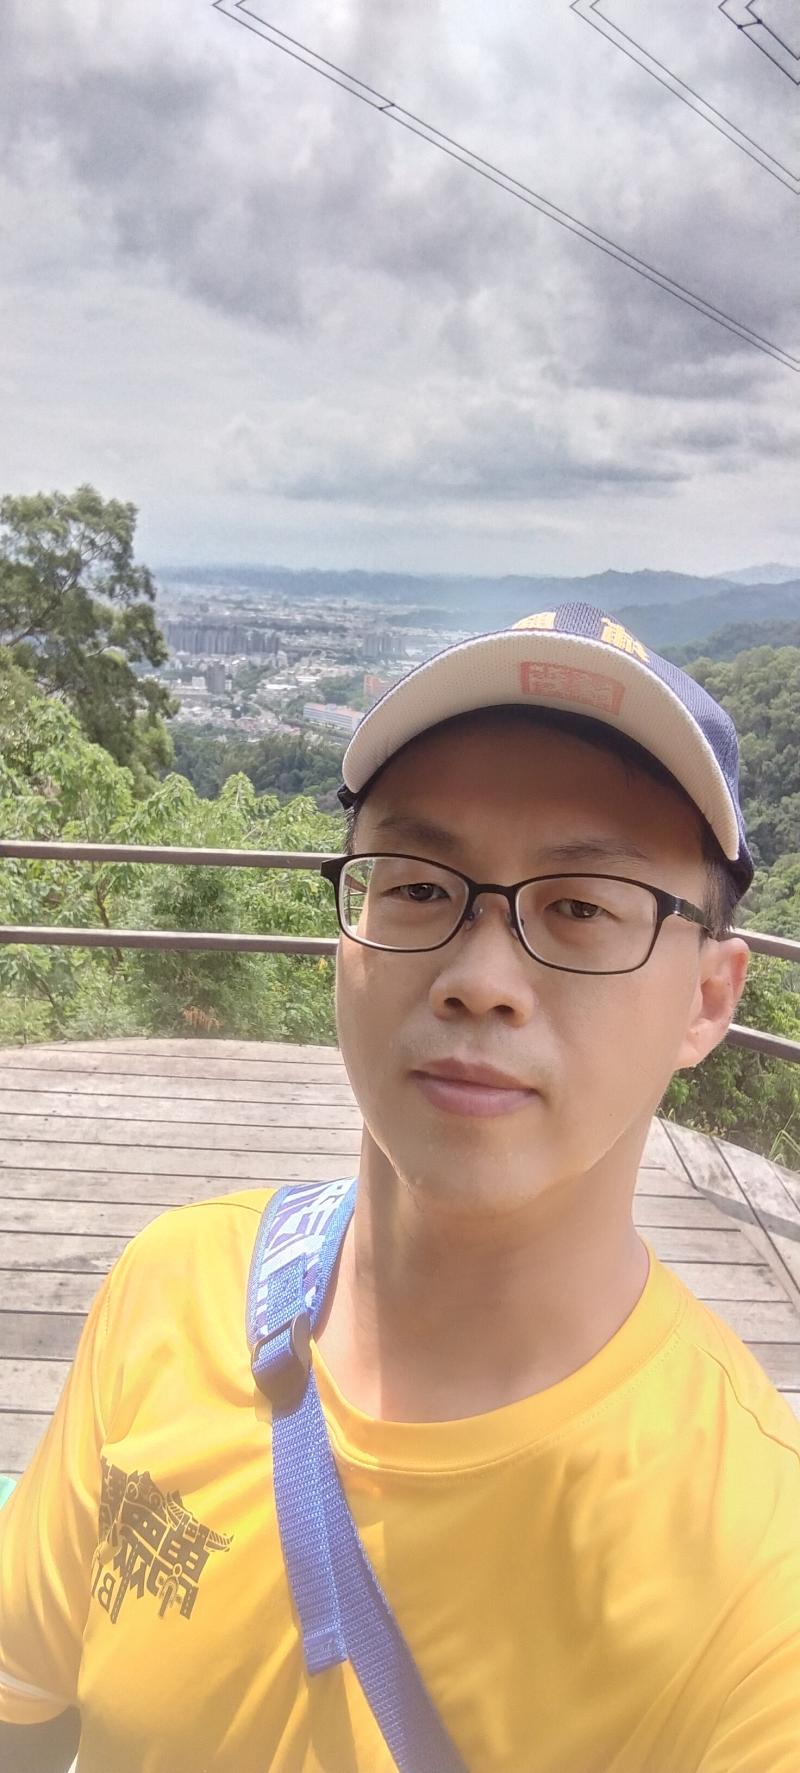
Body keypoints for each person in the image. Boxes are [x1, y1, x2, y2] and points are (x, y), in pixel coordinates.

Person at [1, 603, 799, 1772]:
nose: (480, 977)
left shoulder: (752, 1572)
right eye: (420, 887)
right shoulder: (170, 1291)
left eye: (580, 906)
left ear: (708, 998)